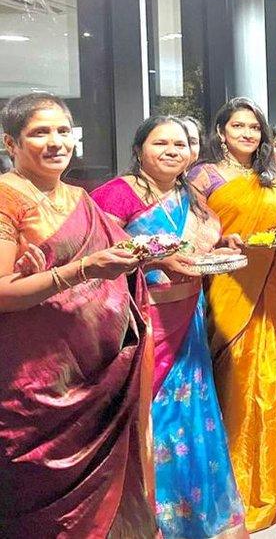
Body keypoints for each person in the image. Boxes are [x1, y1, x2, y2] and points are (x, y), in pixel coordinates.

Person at [0, 93, 156, 536]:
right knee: (39, 495)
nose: (56, 142)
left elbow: (119, 258)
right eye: (39, 132)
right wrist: (81, 269)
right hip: (37, 378)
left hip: (95, 372)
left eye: (63, 131)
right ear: (11, 143)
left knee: (104, 495)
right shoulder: (7, 199)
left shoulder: (78, 197)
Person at [90, 115, 246, 538]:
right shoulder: (117, 194)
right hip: (144, 321)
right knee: (152, 418)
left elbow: (203, 239)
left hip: (188, 318)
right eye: (161, 143)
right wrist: (155, 260)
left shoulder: (189, 194)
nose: (173, 151)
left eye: (180, 144)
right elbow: (97, 253)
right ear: (140, 147)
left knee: (190, 415)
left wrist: (225, 242)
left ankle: (195, 515)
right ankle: (151, 522)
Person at [187, 97, 276, 531]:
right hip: (225, 283)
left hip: (270, 282)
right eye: (238, 126)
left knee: (273, 371)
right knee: (236, 373)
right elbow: (195, 235)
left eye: (254, 127)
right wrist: (221, 243)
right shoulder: (201, 176)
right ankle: (235, 484)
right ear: (221, 131)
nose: (247, 134)